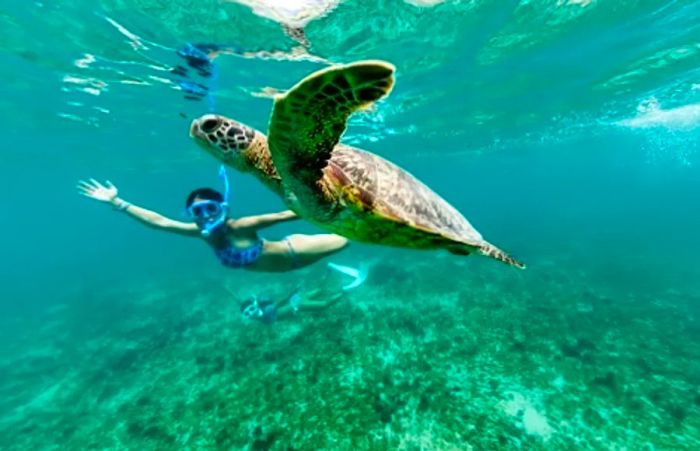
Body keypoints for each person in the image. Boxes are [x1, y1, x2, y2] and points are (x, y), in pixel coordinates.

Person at [76, 167, 348, 272]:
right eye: (197, 212)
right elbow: (160, 222)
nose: (205, 216)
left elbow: (285, 214)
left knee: (348, 238)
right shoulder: (201, 235)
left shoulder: (242, 225)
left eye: (210, 208)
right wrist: (117, 202)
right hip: (286, 259)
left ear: (223, 209)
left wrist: (330, 201)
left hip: (293, 254)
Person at [237, 262, 366, 323]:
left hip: (297, 303)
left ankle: (346, 291)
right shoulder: (260, 314)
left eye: (250, 310)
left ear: (254, 306)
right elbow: (240, 302)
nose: (250, 313)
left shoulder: (266, 312)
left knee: (324, 305)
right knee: (321, 290)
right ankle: (329, 270)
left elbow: (281, 302)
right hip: (297, 298)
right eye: (248, 313)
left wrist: (293, 291)